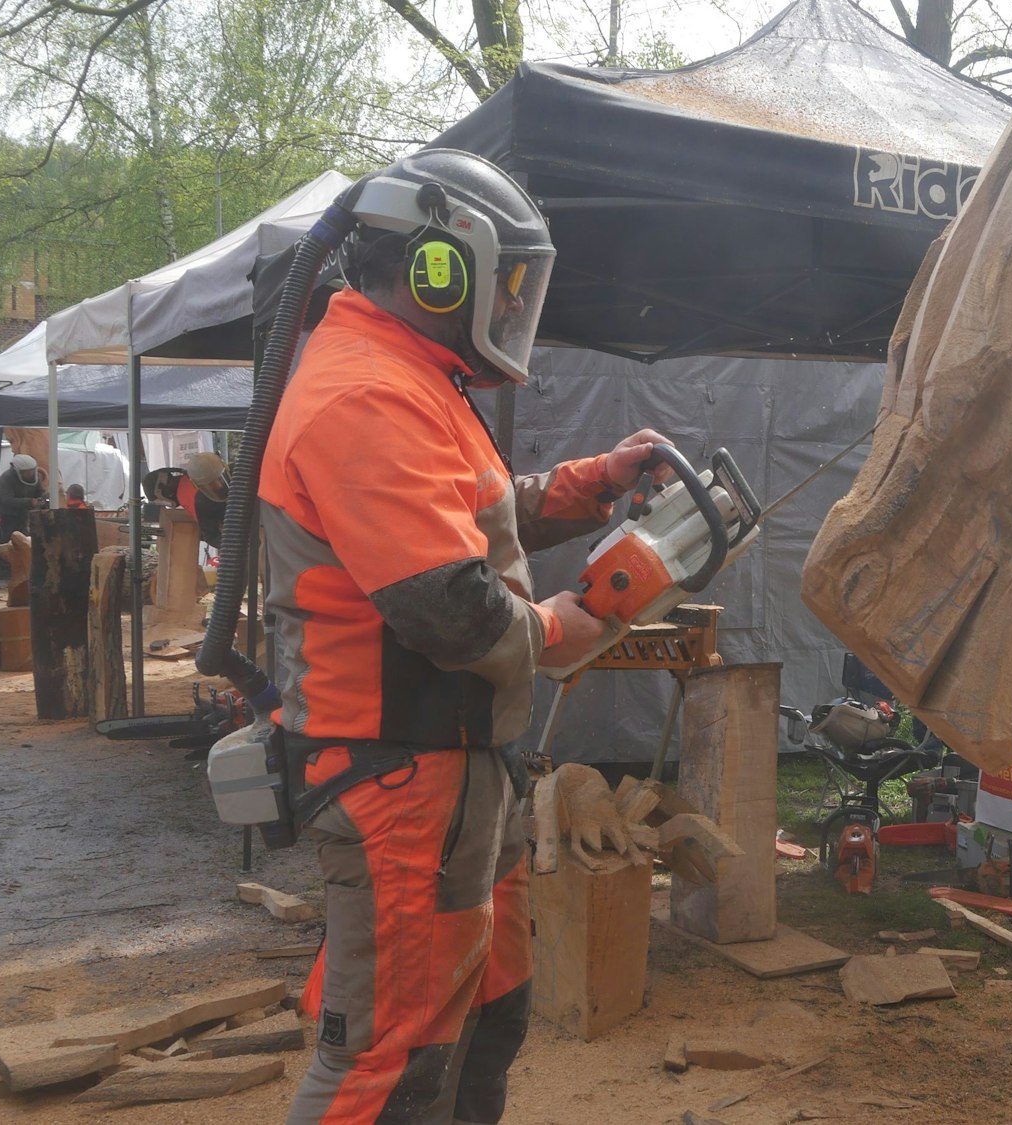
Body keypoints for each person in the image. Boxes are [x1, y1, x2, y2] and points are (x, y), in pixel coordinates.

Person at [260, 149, 668, 1125]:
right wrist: (583, 619)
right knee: (389, 1059)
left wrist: (595, 480)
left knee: (488, 1016)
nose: (515, 301)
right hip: (399, 776)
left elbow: (480, 517)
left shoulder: (412, 375)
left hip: (455, 768)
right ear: (442, 267)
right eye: (509, 279)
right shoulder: (365, 394)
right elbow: (451, 608)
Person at [0, 453, 46, 559]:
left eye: (31, 471)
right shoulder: (6, 478)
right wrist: (29, 502)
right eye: (26, 472)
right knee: (6, 540)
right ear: (17, 470)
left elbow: (40, 492)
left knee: (23, 540)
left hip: (24, 515)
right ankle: (4, 565)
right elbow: (6, 500)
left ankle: (23, 561)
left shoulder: (35, 478)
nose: (30, 474)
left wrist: (44, 498)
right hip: (6, 516)